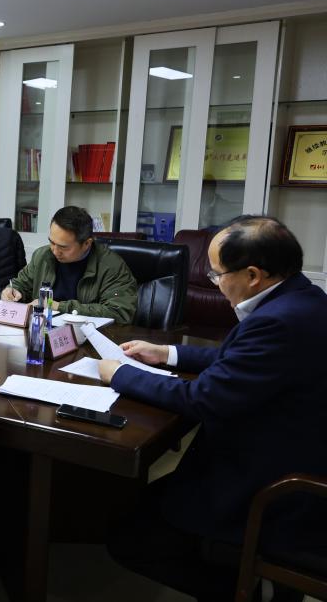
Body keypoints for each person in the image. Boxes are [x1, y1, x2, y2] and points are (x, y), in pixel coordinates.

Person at [97, 216, 327, 602]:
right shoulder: (302, 297)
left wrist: (120, 375)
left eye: (217, 274)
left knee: (129, 538)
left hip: (269, 486)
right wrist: (166, 353)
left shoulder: (278, 322)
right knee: (140, 504)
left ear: (252, 275)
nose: (215, 283)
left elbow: (202, 399)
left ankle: (251, 588)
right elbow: (239, 358)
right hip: (290, 450)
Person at [1, 205, 137, 324]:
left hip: (85, 336)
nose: (55, 251)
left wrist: (56, 306)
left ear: (86, 243)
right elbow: (21, 284)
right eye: (52, 242)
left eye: (63, 247)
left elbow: (120, 313)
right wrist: (13, 291)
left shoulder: (111, 266)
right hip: (43, 330)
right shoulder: (43, 255)